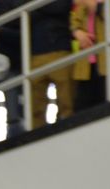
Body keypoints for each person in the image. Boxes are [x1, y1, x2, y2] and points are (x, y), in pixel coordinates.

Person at [27, 0, 74, 128]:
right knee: (35, 106)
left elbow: (61, 6)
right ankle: (36, 136)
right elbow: (18, 13)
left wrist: (36, 6)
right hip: (34, 53)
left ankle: (68, 129)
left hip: (60, 48)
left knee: (66, 101)